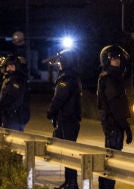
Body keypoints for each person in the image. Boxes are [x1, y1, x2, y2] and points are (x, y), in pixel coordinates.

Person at [96, 45, 132, 189]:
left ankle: (106, 185)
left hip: (113, 124)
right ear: (107, 60)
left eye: (118, 58)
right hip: (114, 125)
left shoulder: (112, 77)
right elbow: (115, 106)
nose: (117, 61)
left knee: (110, 157)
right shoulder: (110, 79)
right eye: (114, 58)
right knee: (112, 159)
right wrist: (126, 127)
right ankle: (106, 186)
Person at [46, 50, 82, 189]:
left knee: (69, 152)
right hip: (68, 119)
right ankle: (68, 182)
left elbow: (59, 98)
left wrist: (50, 112)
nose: (58, 65)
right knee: (67, 152)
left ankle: (72, 183)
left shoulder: (67, 78)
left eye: (60, 62)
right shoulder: (71, 76)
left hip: (68, 119)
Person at [0, 54, 30, 131]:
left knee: (10, 139)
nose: (9, 68)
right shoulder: (12, 79)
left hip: (13, 117)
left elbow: (8, 97)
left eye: (12, 66)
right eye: (8, 66)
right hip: (13, 116)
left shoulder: (15, 81)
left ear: (17, 67)